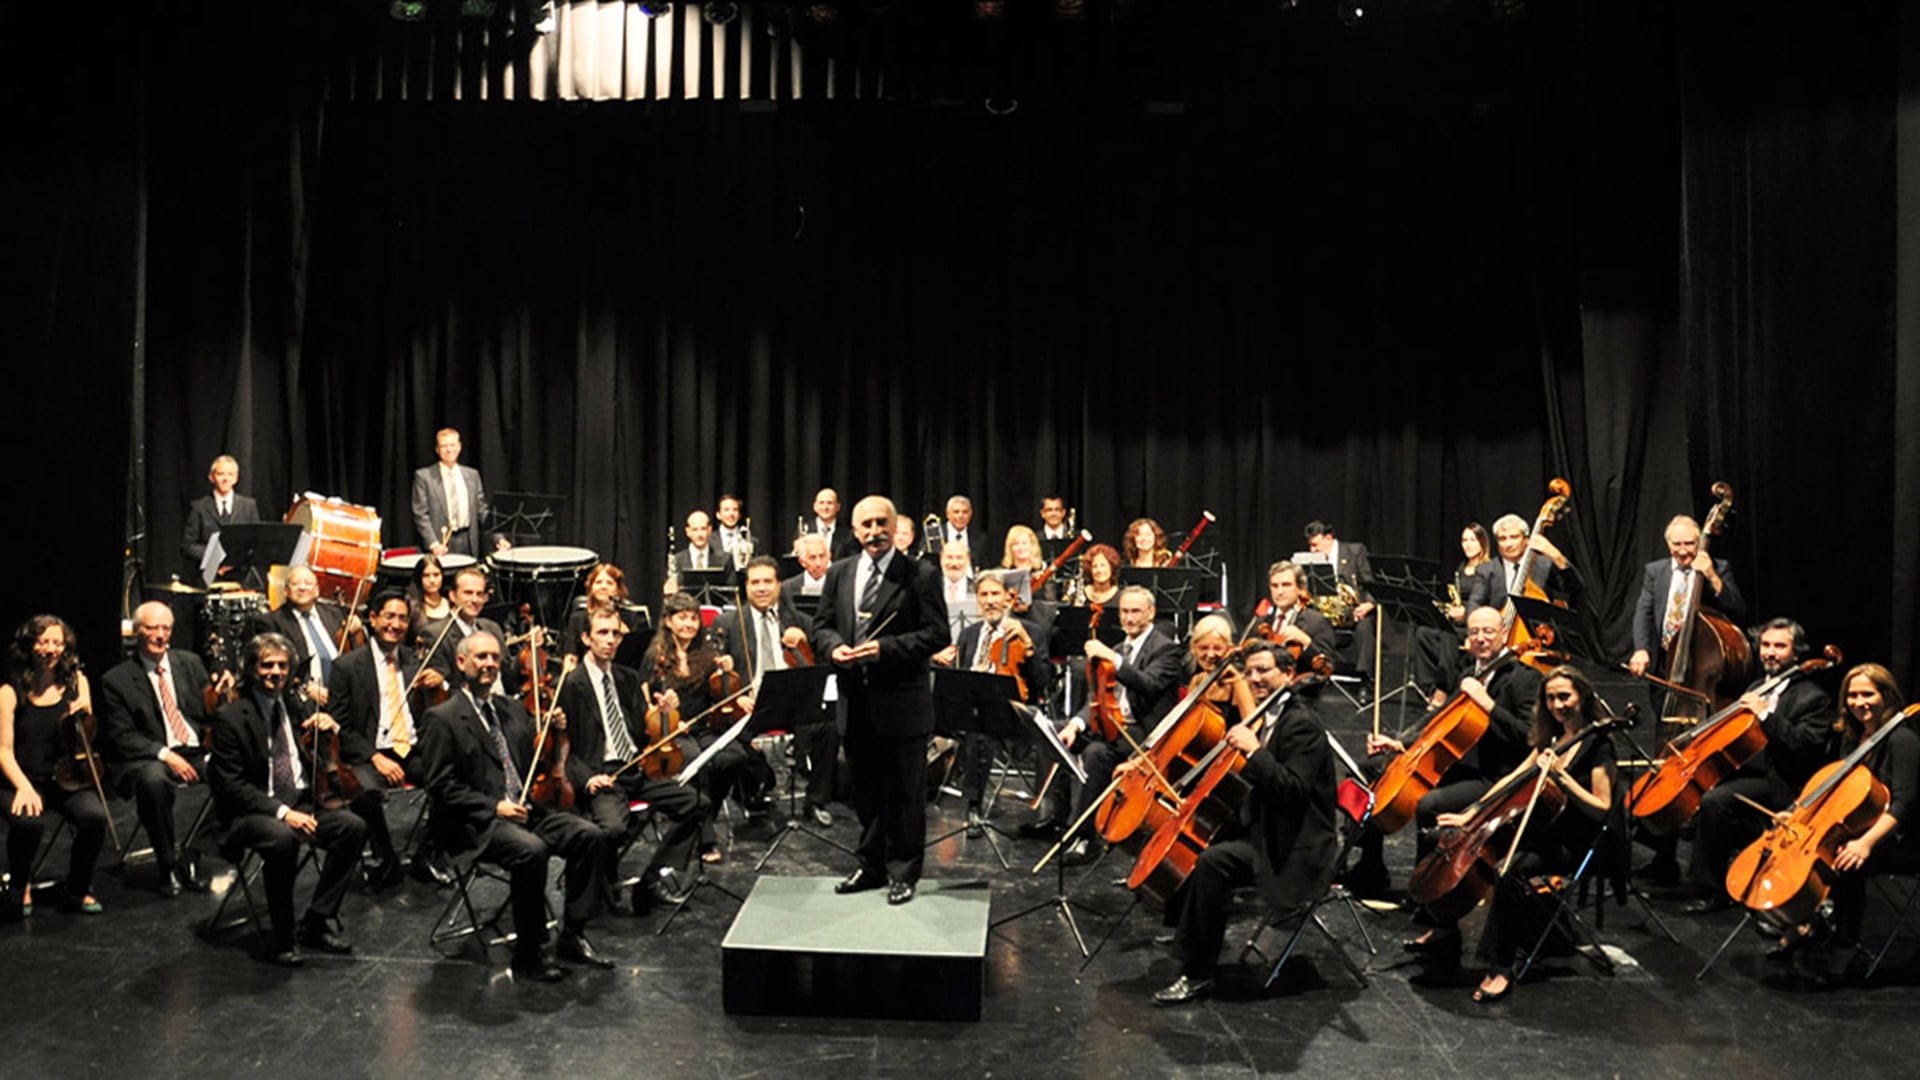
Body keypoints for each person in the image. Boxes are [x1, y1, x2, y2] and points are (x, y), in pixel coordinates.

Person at [416, 630, 612, 980]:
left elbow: (530, 761)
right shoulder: (442, 718)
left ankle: (572, 934)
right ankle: (529, 952)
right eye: (481, 657)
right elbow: (440, 787)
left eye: (494, 657)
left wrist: (555, 730)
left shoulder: (510, 710)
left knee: (590, 835)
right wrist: (494, 807)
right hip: (474, 823)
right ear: (461, 663)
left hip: (524, 812)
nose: (490, 664)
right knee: (531, 850)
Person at [1153, 641, 1339, 1004]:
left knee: (1213, 863)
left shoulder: (1302, 724)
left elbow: (1292, 790)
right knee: (1199, 838)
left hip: (1298, 845)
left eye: (1264, 671)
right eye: (1250, 672)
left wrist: (1253, 751)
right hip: (1270, 825)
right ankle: (1185, 932)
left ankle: (1197, 972)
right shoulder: (1267, 716)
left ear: (1287, 674)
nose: (1255, 679)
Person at [1434, 664, 1617, 1002]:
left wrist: (1563, 778)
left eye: (1564, 697)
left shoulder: (1598, 744)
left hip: (1576, 842)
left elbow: (1601, 808)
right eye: (1550, 699)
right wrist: (1472, 814)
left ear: (1582, 696)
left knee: (1509, 871)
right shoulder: (1551, 741)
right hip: (1545, 832)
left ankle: (1501, 968)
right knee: (1497, 857)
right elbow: (1511, 781)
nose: (1557, 705)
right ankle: (1442, 922)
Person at [1364, 607, 1542, 933]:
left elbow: (1528, 737)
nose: (1481, 638)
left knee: (1429, 804)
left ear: (1504, 634)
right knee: (1373, 770)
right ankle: (1368, 869)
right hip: (1461, 764)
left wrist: (1488, 704)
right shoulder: (1468, 670)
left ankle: (1429, 895)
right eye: (1474, 632)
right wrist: (1402, 742)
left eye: (1488, 631)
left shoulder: (1524, 678)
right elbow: (1438, 717)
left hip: (1496, 776)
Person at [812, 495, 949, 905]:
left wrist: (885, 649)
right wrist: (834, 647)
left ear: (894, 526)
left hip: (902, 704)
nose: (874, 532)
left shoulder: (919, 574)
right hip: (855, 702)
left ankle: (904, 871)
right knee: (866, 790)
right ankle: (870, 866)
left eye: (880, 523)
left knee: (906, 794)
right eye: (865, 525)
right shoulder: (839, 573)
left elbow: (938, 634)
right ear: (854, 531)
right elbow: (822, 626)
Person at [206, 633, 367, 966]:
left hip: (303, 801)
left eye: (282, 665)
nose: (276, 672)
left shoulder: (295, 706)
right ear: (251, 669)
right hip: (249, 813)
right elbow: (231, 787)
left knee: (352, 827)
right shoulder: (230, 717)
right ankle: (282, 935)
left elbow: (315, 751)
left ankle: (317, 921)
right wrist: (282, 813)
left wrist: (327, 725)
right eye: (267, 665)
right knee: (282, 840)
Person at [557, 607, 709, 911]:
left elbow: (642, 729)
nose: (611, 640)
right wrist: (587, 778)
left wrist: (664, 714)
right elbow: (565, 748)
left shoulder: (626, 678)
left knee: (697, 804)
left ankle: (650, 881)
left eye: (615, 633)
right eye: (603, 633)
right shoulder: (572, 685)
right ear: (586, 638)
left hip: (637, 769)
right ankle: (599, 883)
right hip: (604, 776)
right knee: (612, 829)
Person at [1680, 618, 1832, 913]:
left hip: (1781, 781)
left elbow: (1803, 747)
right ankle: (1662, 864)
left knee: (1715, 801)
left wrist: (1766, 715)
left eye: (1780, 646)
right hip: (1746, 771)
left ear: (1796, 653)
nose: (1770, 652)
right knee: (1693, 788)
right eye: (1766, 645)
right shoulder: (1757, 686)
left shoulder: (1813, 698)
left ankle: (1710, 889)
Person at [1030, 586, 1185, 861]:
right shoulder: (1117, 648)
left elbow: (1147, 684)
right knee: (1051, 731)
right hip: (1111, 723)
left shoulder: (1166, 649)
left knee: (1096, 753)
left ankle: (1084, 837)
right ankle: (1059, 817)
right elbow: (1097, 698)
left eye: (1136, 611)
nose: (1129, 618)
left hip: (1143, 733)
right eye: (1125, 611)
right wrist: (1076, 725)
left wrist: (1112, 659)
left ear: (1150, 613)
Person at [98, 601, 229, 896]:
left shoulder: (190, 663)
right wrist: (166, 755)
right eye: (151, 628)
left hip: (194, 749)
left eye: (165, 628)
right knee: (154, 781)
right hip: (148, 755)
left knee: (237, 772)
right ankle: (166, 862)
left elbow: (209, 714)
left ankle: (193, 851)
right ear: (136, 632)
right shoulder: (115, 680)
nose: (159, 635)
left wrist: (221, 697)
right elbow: (122, 736)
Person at [326, 590, 445, 890]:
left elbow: (437, 711)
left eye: (403, 618)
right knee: (363, 791)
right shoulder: (347, 666)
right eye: (389, 616)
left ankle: (426, 855)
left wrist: (440, 683)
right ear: (373, 618)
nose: (396, 624)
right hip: (370, 752)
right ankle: (386, 860)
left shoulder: (415, 661)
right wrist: (375, 757)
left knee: (450, 777)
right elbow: (341, 724)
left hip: (410, 747)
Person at [643, 592, 773, 863]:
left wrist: (728, 678)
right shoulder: (655, 656)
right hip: (673, 731)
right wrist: (665, 716)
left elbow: (719, 696)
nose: (689, 624)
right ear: (668, 621)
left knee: (733, 757)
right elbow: (645, 700)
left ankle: (703, 816)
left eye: (693, 618)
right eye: (682, 618)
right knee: (698, 764)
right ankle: (706, 840)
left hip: (704, 727)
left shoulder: (707, 653)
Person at [1, 615, 110, 917]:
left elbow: (86, 733)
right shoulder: (10, 692)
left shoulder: (77, 683)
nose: (50, 649)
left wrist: (84, 711)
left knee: (93, 817)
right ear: (29, 645)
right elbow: (3, 751)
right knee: (29, 821)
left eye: (57, 643)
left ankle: (78, 888)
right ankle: (19, 884)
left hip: (63, 777)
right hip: (19, 778)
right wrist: (23, 787)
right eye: (43, 642)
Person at [721, 555, 837, 827]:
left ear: (779, 585)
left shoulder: (799, 620)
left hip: (793, 701)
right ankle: (755, 792)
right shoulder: (728, 623)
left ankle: (816, 800)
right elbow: (718, 675)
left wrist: (805, 642)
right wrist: (736, 695)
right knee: (730, 738)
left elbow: (823, 663)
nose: (761, 588)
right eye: (755, 582)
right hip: (752, 703)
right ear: (746, 587)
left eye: (767, 582)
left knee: (829, 725)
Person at [937, 571, 1047, 837]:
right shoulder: (969, 633)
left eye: (995, 594)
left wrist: (1028, 646)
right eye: (983, 595)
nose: (989, 601)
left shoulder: (1031, 631)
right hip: (971, 709)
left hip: (1014, 711)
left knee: (980, 729)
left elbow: (1042, 683)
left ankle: (973, 806)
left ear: (1009, 598)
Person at [1628, 514, 1748, 681]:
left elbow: (1738, 608)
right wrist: (1641, 649)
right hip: (1663, 661)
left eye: (1689, 544)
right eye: (1677, 544)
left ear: (1699, 543)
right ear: (1668, 545)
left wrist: (1712, 576)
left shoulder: (1719, 568)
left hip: (1702, 661)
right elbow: (1643, 613)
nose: (1683, 551)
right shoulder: (1655, 571)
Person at [1410, 523, 1499, 697]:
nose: (1467, 544)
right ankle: (1428, 687)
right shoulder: (1461, 569)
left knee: (1447, 635)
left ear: (1483, 542)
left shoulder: (1489, 569)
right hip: (1456, 621)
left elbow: (1490, 601)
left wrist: (1465, 613)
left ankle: (1443, 688)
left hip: (1474, 622)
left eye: (1472, 540)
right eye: (1464, 540)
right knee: (1423, 633)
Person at [255, 565, 348, 706]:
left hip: (340, 698)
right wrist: (305, 688)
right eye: (295, 584)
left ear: (317, 590)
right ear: (286, 591)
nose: (302, 588)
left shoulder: (334, 614)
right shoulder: (271, 622)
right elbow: (272, 669)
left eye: (308, 583)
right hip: (302, 703)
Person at [409, 427, 501, 559]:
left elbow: (482, 511)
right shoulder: (424, 476)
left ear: (459, 447)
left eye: (452, 445)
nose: (449, 450)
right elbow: (420, 514)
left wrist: (498, 538)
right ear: (437, 449)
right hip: (441, 543)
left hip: (468, 541)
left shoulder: (472, 475)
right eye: (444, 446)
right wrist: (433, 544)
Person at [1249, 560, 1337, 681]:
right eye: (1275, 586)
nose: (1279, 592)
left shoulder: (1316, 622)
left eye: (1286, 585)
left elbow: (1327, 666)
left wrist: (1306, 642)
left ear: (1300, 589)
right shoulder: (1261, 623)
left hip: (1301, 693)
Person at [181, 454, 262, 572]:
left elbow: (256, 541)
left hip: (240, 574)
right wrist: (215, 557)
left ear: (236, 478)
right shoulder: (199, 507)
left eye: (230, 474)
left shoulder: (249, 506)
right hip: (208, 574)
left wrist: (236, 560)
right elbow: (188, 545)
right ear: (211, 477)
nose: (226, 479)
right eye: (220, 474)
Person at [670, 508, 733, 593]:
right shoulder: (676, 560)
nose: (699, 534)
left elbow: (732, 593)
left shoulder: (725, 559)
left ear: (709, 530)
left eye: (703, 529)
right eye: (695, 530)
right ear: (688, 532)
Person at [801, 487, 860, 560]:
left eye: (830, 503)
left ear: (838, 507)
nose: (825, 507)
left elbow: (852, 561)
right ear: (815, 507)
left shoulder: (848, 534)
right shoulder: (804, 530)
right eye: (821, 503)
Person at [937, 541, 977, 641]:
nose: (954, 563)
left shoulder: (978, 589)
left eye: (959, 558)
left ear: (968, 560)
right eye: (949, 557)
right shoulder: (931, 588)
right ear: (941, 559)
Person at [783, 533, 833, 601]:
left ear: (829, 557)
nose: (818, 563)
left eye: (822, 556)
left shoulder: (840, 586)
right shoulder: (787, 588)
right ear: (802, 562)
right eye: (812, 558)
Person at [939, 495, 986, 567]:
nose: (961, 516)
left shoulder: (981, 538)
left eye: (965, 512)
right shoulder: (935, 534)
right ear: (947, 514)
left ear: (970, 514)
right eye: (956, 512)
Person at [1079, 542, 1123, 608]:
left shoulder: (1122, 597)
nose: (1099, 570)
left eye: (1103, 565)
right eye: (1094, 566)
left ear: (1112, 568)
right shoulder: (1081, 595)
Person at [715, 494, 752, 567]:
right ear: (718, 514)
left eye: (735, 510)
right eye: (726, 510)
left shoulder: (751, 541)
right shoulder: (708, 541)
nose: (731, 514)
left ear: (739, 515)